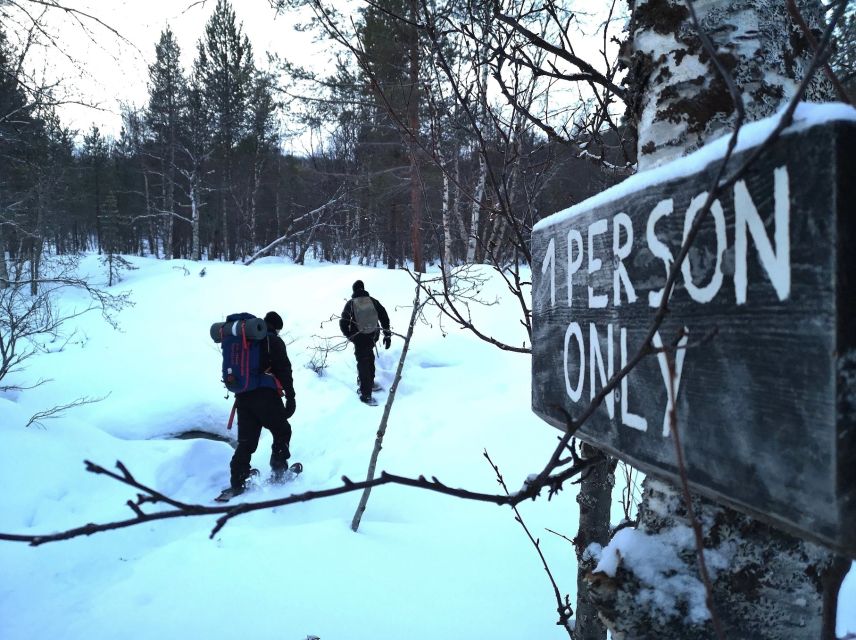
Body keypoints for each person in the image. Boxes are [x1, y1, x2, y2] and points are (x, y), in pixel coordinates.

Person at [229, 311, 296, 493]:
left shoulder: (246, 340)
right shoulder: (272, 341)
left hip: (242, 397)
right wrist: (290, 397)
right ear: (277, 327)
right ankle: (279, 471)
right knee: (282, 431)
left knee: (246, 442)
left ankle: (238, 479)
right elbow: (284, 370)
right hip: (265, 396)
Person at [339, 280, 391, 404]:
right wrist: (387, 335)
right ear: (363, 288)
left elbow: (343, 322)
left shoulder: (351, 304)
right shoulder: (373, 301)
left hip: (359, 338)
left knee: (362, 362)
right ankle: (370, 382)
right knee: (369, 357)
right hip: (373, 336)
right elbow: (384, 316)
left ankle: (366, 393)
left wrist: (350, 336)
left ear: (354, 290)